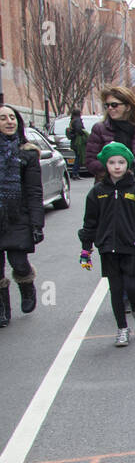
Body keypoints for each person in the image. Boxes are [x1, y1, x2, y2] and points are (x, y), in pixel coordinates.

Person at [78, 141, 135, 346]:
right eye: (112, 162)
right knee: (115, 289)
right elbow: (90, 222)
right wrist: (86, 248)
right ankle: (122, 328)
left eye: (121, 162)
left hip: (131, 245)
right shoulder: (97, 192)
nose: (117, 166)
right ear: (106, 165)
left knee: (132, 286)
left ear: (128, 165)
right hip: (107, 247)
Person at [85, 86, 135, 306]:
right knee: (114, 241)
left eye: (114, 105)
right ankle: (122, 290)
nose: (110, 109)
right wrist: (111, 168)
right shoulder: (100, 130)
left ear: (128, 106)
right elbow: (90, 161)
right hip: (109, 195)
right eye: (107, 105)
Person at [0, 104, 43, 327]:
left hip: (18, 216)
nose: (9, 122)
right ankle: (3, 309)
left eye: (12, 118)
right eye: (3, 118)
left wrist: (37, 224)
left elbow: (34, 191)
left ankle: (27, 287)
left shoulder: (27, 152)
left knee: (18, 263)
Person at [66, 109, 88, 177]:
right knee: (79, 157)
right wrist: (83, 133)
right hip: (78, 142)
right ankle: (75, 173)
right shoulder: (78, 120)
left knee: (77, 157)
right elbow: (79, 129)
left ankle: (75, 173)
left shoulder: (72, 120)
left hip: (74, 142)